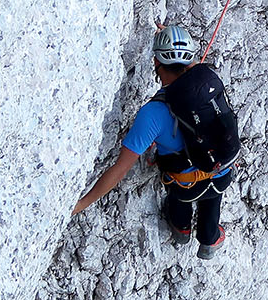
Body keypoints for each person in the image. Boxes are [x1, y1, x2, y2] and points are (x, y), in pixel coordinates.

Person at [72, 26, 241, 259]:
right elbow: (187, 65)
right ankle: (209, 240)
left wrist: (81, 203)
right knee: (211, 199)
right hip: (221, 173)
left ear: (156, 63)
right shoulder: (208, 82)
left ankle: (181, 230)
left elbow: (119, 169)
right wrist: (172, 37)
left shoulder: (152, 114)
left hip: (186, 188)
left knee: (177, 192)